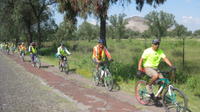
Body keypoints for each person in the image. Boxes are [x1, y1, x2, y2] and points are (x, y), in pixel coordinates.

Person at [138, 39, 175, 104]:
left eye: (158, 44)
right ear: (152, 44)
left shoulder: (160, 51)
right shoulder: (147, 51)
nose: (157, 45)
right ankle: (148, 85)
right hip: (147, 67)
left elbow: (165, 59)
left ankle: (158, 95)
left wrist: (171, 66)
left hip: (155, 68)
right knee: (156, 75)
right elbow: (141, 60)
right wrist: (139, 69)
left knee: (163, 81)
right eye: (155, 44)